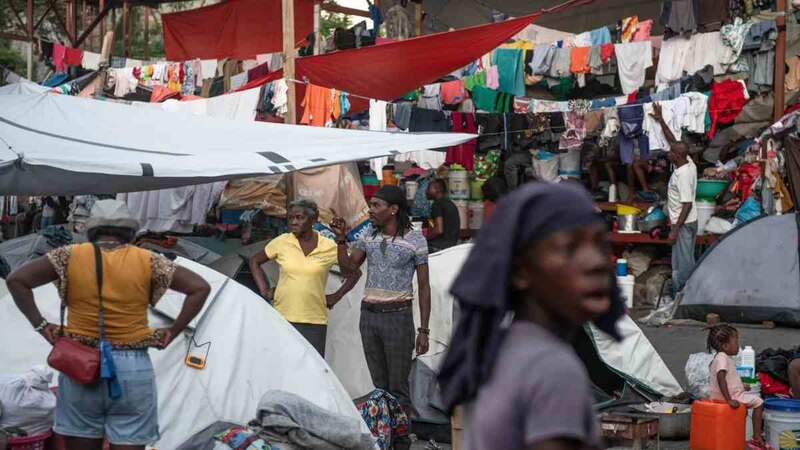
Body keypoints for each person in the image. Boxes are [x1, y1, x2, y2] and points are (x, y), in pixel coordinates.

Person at [6, 200, 211, 450]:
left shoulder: (67, 256)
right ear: (129, 230)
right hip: (132, 367)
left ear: (92, 228)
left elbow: (17, 280)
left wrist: (40, 326)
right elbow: (199, 288)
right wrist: (174, 330)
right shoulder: (149, 261)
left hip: (81, 364)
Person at [437, 183, 624, 450]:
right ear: (519, 271)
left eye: (600, 244)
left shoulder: (505, 347)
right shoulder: (552, 367)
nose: (595, 262)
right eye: (569, 247)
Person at [331, 185, 431, 417]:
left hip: (398, 317)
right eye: (370, 205)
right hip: (369, 316)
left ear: (393, 209)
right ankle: (385, 434)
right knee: (379, 387)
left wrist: (423, 330)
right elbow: (348, 268)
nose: (370, 211)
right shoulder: (368, 235)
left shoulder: (415, 240)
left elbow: (424, 287)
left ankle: (402, 439)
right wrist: (340, 240)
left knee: (398, 386)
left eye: (376, 205)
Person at [249, 199, 361, 357]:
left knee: (312, 371)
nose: (294, 222)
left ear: (314, 220)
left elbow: (353, 272)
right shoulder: (282, 242)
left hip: (314, 320)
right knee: (283, 366)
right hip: (283, 317)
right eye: (290, 218)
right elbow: (254, 261)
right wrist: (264, 290)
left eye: (300, 218)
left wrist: (337, 295)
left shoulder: (327, 246)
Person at [651, 103, 698, 293]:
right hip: (684, 222)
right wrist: (661, 119)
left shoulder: (684, 174)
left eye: (671, 152)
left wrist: (674, 231)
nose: (668, 152)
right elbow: (673, 140)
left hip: (684, 224)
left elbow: (687, 204)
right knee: (682, 260)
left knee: (682, 264)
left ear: (678, 155)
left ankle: (683, 297)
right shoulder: (687, 161)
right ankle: (685, 294)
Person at [707, 324, 766, 447]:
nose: (738, 346)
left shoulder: (720, 358)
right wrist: (729, 399)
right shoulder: (722, 358)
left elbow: (728, 379)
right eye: (736, 342)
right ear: (725, 345)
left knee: (742, 412)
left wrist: (742, 385)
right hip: (728, 397)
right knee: (758, 402)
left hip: (728, 395)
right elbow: (721, 377)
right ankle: (757, 436)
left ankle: (737, 435)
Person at [425, 179, 461, 253]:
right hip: (451, 246)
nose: (426, 191)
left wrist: (424, 239)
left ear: (438, 190)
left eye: (429, 188)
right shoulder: (450, 203)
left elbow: (439, 230)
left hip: (438, 247)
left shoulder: (438, 204)